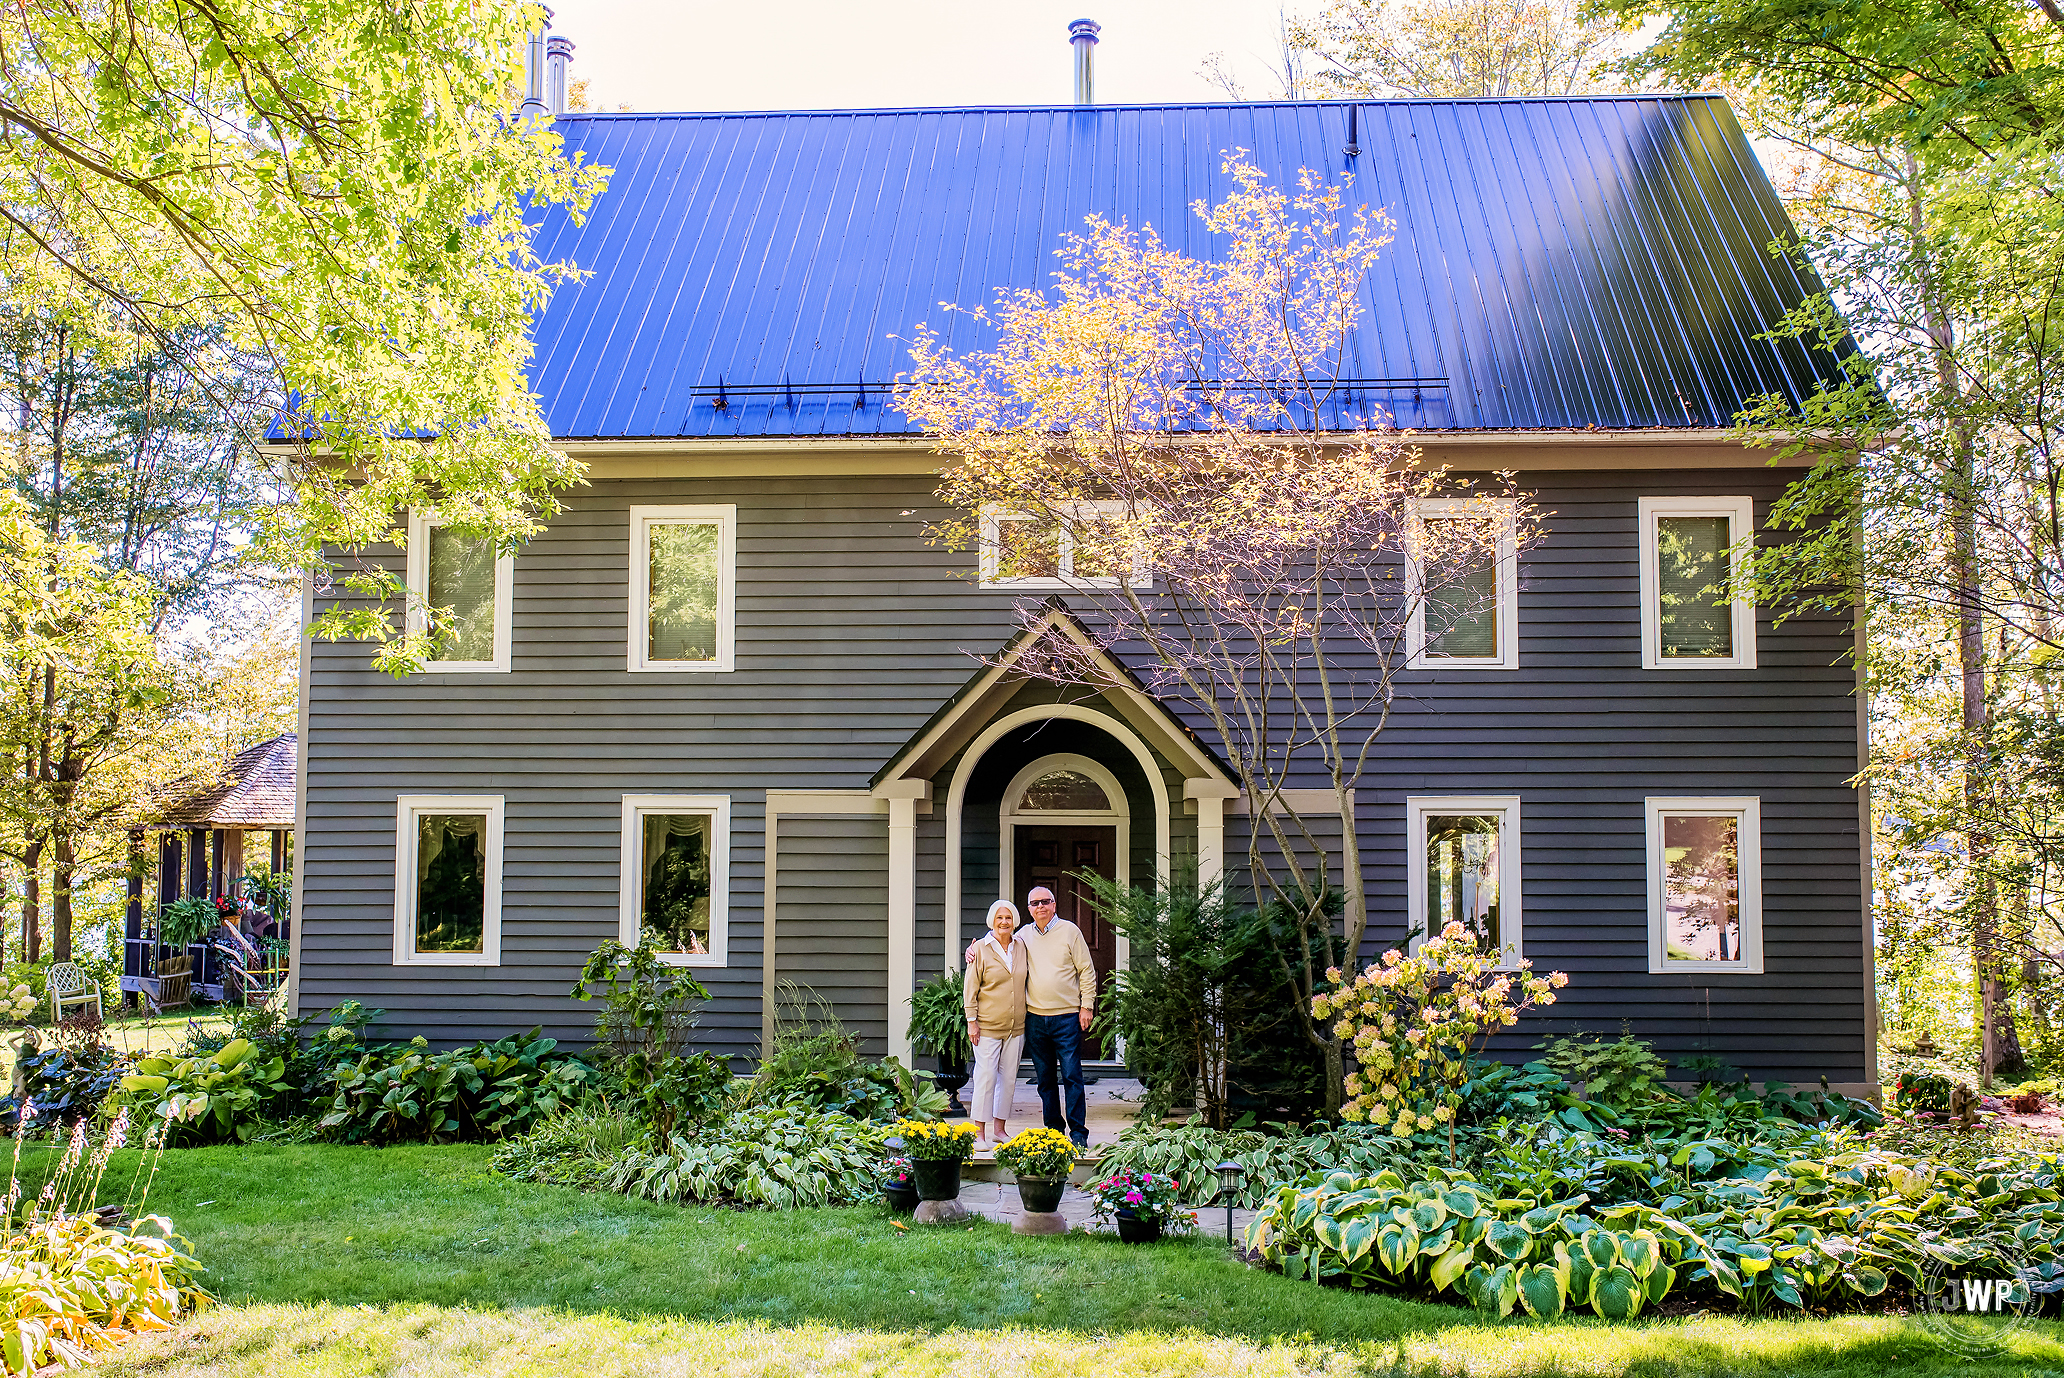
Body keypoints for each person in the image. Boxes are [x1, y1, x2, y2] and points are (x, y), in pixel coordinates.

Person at [971, 885, 1095, 1149]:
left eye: (1045, 902)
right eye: (1034, 903)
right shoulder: (1024, 935)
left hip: (1067, 1017)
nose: (1040, 907)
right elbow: (998, 937)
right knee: (1045, 1080)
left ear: (1054, 905)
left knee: (1072, 1076)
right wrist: (974, 949)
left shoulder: (1070, 931)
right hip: (1036, 1020)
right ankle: (1053, 1131)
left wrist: (1087, 1006)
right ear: (1028, 909)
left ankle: (1078, 1133)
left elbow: (1086, 970)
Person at [962, 899, 1028, 1148]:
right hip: (987, 1026)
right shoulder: (979, 949)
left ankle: (999, 1129)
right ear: (992, 920)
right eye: (999, 918)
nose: (1004, 922)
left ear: (1014, 922)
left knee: (1008, 1079)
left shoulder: (1021, 946)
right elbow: (971, 988)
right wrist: (972, 1021)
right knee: (986, 1077)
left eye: (1008, 918)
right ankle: (978, 1132)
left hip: (1015, 1027)